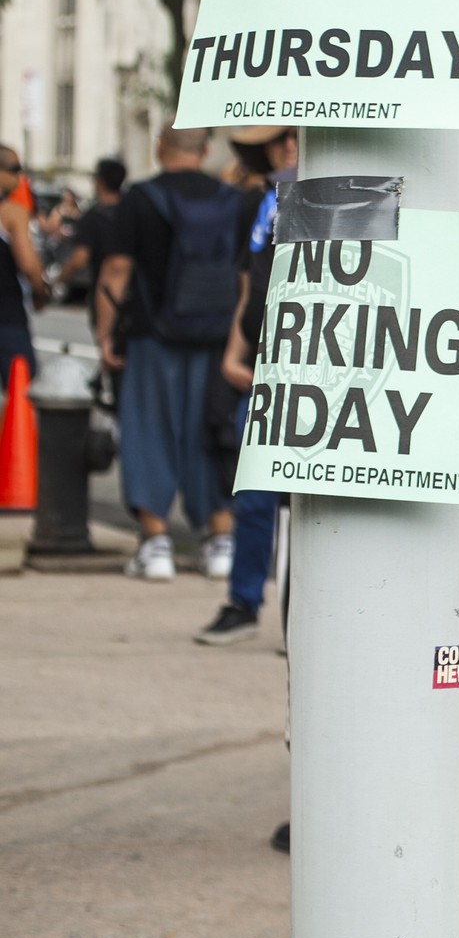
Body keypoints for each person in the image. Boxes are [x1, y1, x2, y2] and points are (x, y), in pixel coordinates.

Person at [96, 126, 255, 583]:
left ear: (158, 148)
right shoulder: (232, 200)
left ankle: (156, 543)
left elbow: (117, 268)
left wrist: (106, 335)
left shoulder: (140, 198)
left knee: (149, 431)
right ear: (204, 151)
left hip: (153, 335)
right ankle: (219, 539)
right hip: (217, 335)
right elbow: (244, 274)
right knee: (210, 430)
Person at [196, 127, 298, 645]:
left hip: (303, 373)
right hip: (262, 371)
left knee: (305, 506)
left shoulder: (317, 198)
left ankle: (300, 617)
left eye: (293, 137)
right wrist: (234, 354)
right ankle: (245, 601)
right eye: (279, 139)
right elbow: (250, 288)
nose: (286, 146)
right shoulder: (266, 201)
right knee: (255, 496)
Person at [0, 146, 51, 381]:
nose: (20, 176)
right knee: (20, 381)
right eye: (15, 168)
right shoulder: (12, 213)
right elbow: (28, 265)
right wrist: (40, 294)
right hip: (6, 314)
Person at [61, 157, 125, 323]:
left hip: (104, 291)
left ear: (99, 182)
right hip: (133, 293)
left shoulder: (93, 217)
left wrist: (59, 279)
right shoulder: (131, 212)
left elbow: (79, 258)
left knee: (106, 336)